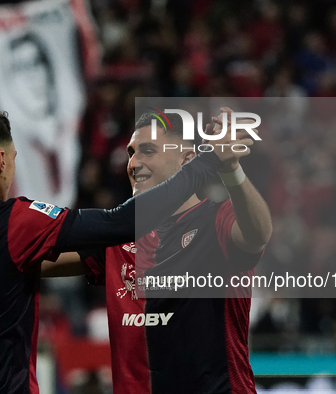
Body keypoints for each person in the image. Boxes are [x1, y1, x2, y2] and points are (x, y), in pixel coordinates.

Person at [0, 105, 243, 393]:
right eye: (12, 159)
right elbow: (118, 223)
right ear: (0, 161)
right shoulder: (14, 222)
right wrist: (208, 163)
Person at [46, 107, 272, 393]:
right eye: (131, 153)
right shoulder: (119, 237)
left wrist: (232, 171)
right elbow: (33, 261)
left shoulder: (217, 220)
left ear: (188, 158)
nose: (133, 163)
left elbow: (257, 234)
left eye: (148, 150)